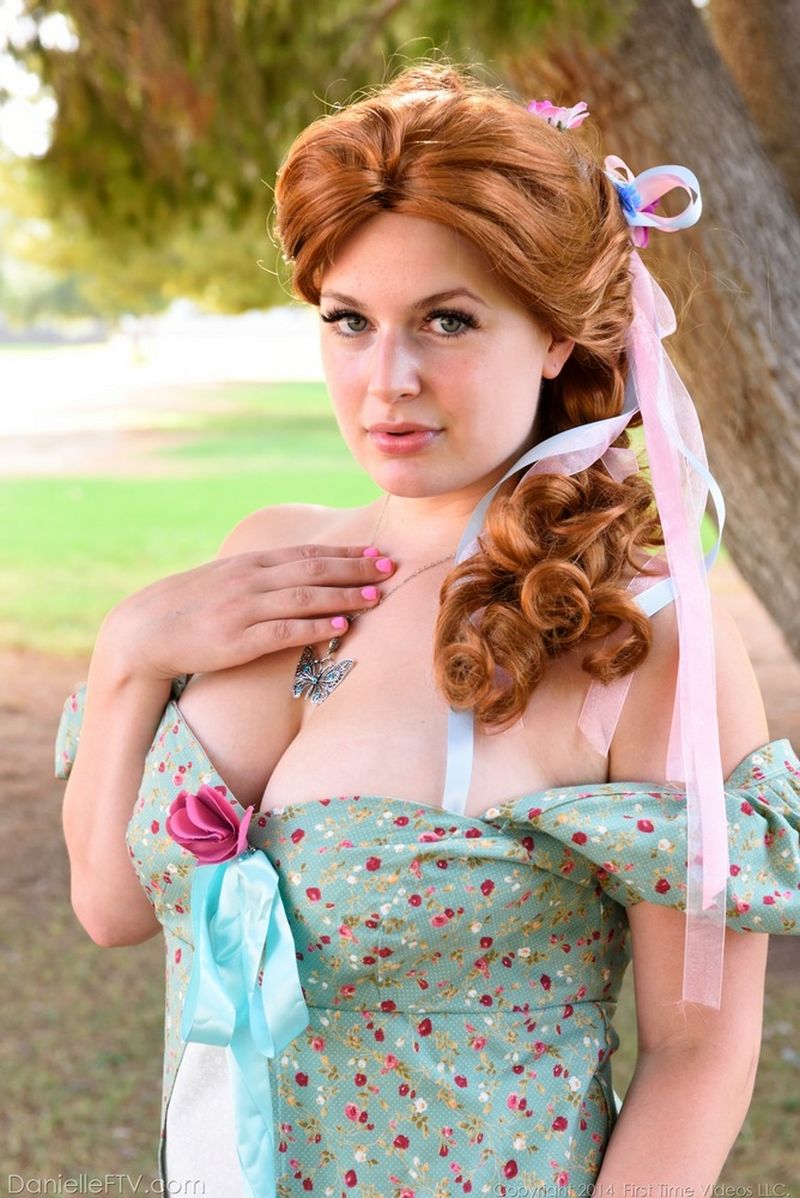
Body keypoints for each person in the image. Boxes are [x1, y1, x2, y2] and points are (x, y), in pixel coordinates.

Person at [55, 58, 800, 1197]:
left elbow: (698, 1056)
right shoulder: (264, 558)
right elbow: (114, 904)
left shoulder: (636, 636)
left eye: (446, 321)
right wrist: (129, 653)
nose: (385, 380)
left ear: (555, 336)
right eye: (348, 321)